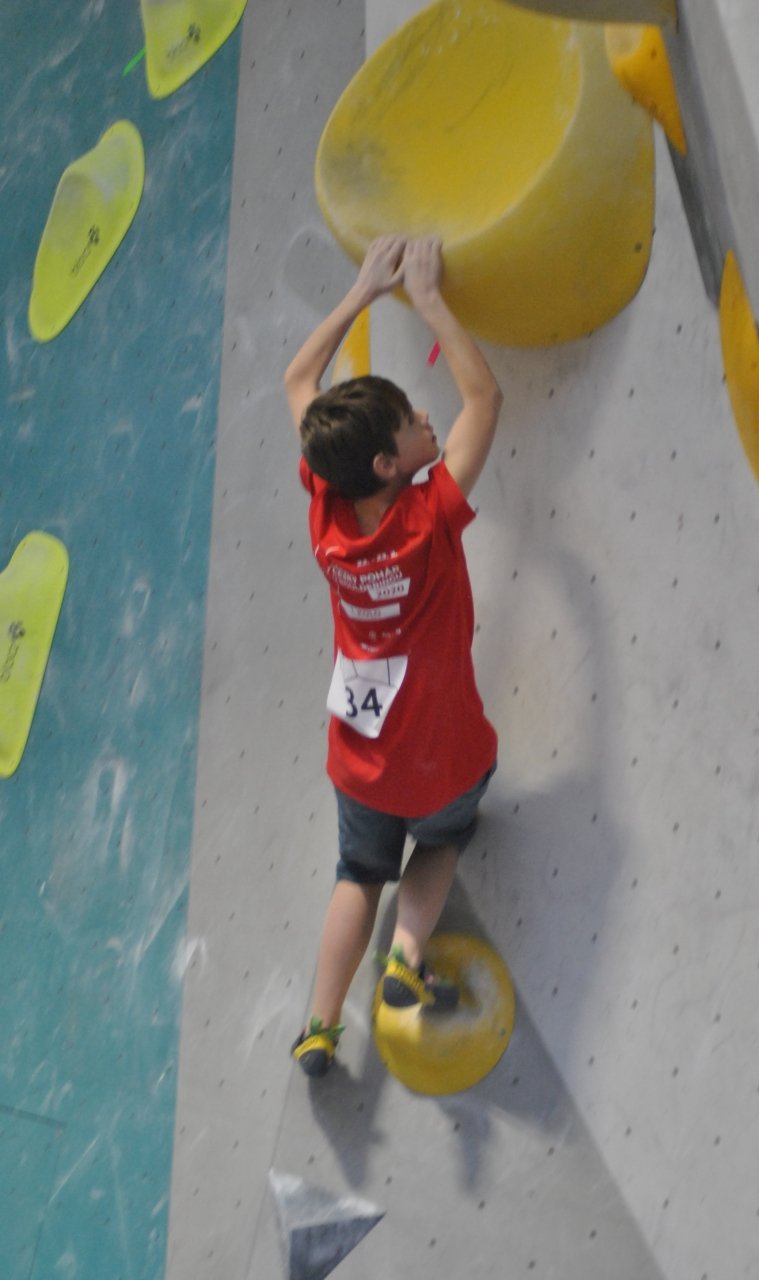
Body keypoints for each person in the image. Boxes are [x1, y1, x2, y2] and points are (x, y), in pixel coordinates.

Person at [284, 235, 502, 1077]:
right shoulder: (428, 516)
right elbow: (484, 398)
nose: (426, 420)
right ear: (386, 464)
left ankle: (318, 1026)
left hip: (359, 762)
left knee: (357, 872)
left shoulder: (327, 504)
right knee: (443, 841)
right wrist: (424, 297)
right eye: (413, 423)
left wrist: (357, 295)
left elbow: (298, 384)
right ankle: (406, 954)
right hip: (441, 758)